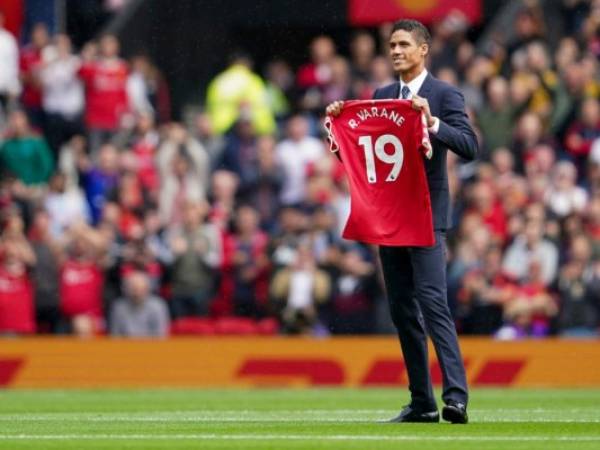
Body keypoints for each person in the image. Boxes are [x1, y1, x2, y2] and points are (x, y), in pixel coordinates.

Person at [326, 19, 477, 424]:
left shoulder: (443, 94)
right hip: (390, 217)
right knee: (402, 310)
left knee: (433, 303)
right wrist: (341, 131)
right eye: (392, 44)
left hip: (426, 215)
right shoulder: (381, 95)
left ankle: (457, 397)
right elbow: (367, 159)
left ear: (423, 49)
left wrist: (432, 122)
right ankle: (422, 403)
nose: (395, 51)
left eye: (404, 44)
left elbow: (470, 145)